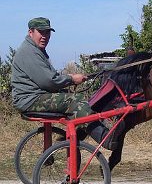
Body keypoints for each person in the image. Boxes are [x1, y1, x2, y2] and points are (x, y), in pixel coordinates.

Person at [11, 17, 123, 149]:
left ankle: (82, 131)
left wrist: (69, 77)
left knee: (77, 99)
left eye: (48, 33)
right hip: (30, 99)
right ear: (31, 32)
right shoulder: (29, 52)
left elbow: (48, 76)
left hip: (32, 96)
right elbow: (49, 81)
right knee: (74, 101)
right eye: (41, 32)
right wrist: (71, 79)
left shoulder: (34, 49)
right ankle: (106, 138)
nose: (45, 36)